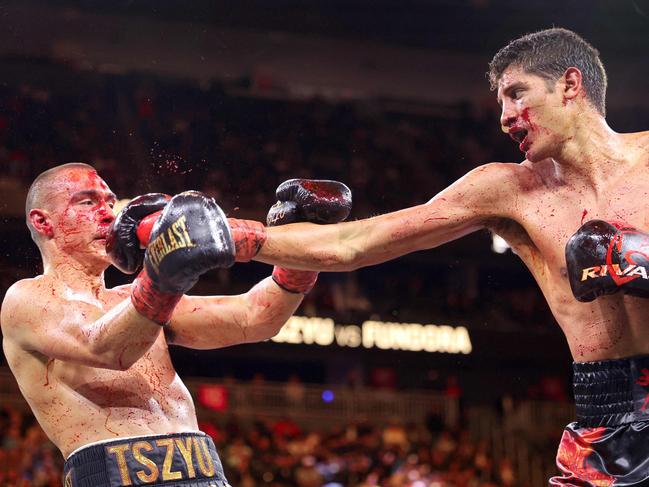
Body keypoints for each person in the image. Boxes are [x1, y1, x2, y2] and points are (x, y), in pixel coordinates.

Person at [241, 28, 649, 484]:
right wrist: (240, 237)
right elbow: (355, 243)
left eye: (517, 94)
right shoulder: (509, 190)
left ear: (571, 85)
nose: (505, 118)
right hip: (602, 418)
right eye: (500, 103)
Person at [0, 162, 350, 487]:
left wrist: (304, 248)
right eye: (88, 202)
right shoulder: (26, 300)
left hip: (206, 472)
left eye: (109, 201)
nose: (107, 212)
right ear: (43, 221)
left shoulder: (133, 300)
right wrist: (164, 275)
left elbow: (255, 318)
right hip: (114, 474)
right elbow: (104, 348)